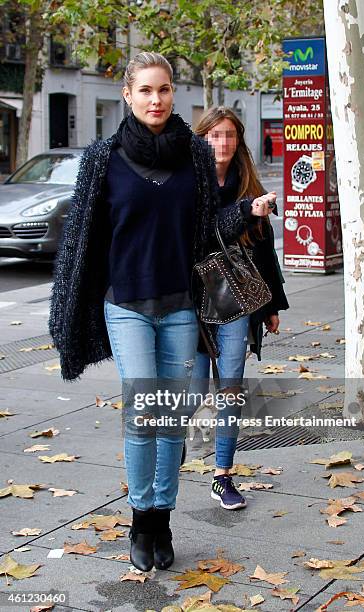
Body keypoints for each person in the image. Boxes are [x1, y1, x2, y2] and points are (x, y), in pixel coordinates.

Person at [49, 52, 276, 573]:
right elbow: (84, 241)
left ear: (175, 94)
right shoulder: (103, 158)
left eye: (165, 90)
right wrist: (71, 311)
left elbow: (206, 228)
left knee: (171, 418)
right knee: (143, 413)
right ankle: (139, 517)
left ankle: (161, 520)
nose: (157, 99)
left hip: (180, 306)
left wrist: (244, 210)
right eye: (146, 90)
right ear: (128, 95)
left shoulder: (195, 156)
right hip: (126, 305)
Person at [192, 106, 289, 510]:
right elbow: (198, 232)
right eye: (215, 135)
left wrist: (271, 307)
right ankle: (172, 448)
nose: (223, 143)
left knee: (230, 388)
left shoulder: (250, 184)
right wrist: (244, 211)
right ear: (202, 139)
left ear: (239, 139)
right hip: (192, 300)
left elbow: (264, 253)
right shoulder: (189, 183)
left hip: (237, 304)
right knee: (194, 390)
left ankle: (223, 475)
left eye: (229, 134)